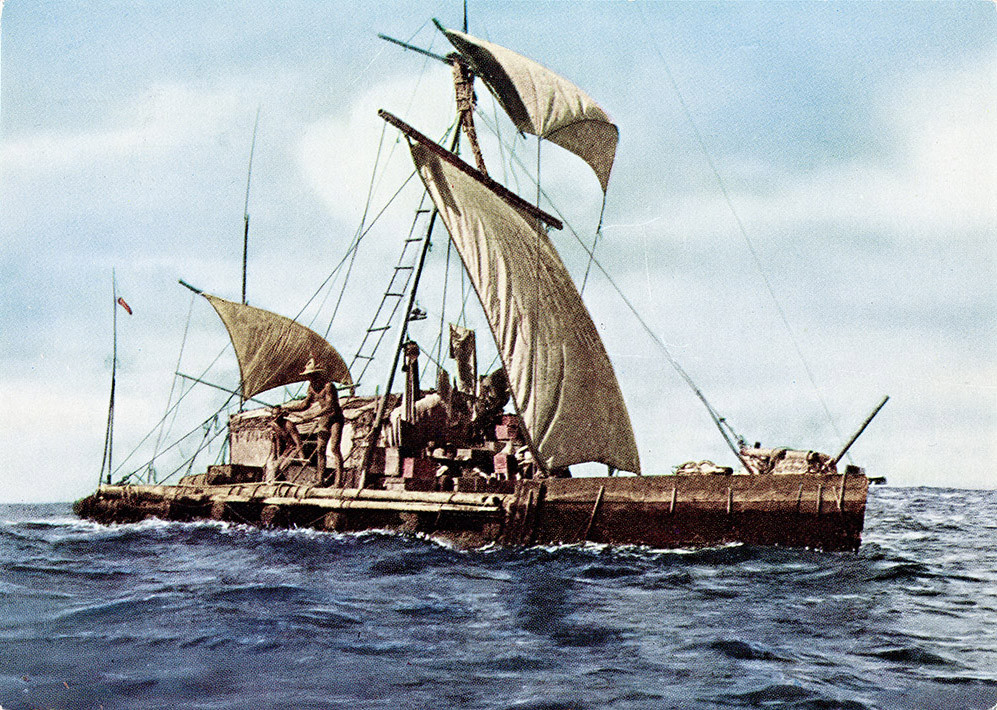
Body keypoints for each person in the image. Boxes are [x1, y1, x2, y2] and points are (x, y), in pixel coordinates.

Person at [276, 357, 344, 487]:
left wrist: (311, 416)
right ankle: (320, 480)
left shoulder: (328, 386)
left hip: (335, 419)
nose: (310, 378)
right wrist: (288, 408)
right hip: (324, 420)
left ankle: (338, 482)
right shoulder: (312, 388)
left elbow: (330, 407)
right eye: (309, 376)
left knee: (334, 448)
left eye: (312, 375)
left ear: (318, 374)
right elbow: (305, 404)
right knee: (320, 449)